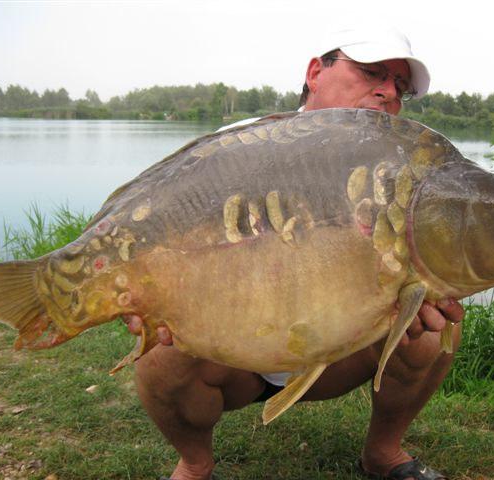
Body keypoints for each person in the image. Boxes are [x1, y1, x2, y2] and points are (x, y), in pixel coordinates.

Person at [125, 27, 465, 480]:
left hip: (344, 352)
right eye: (371, 73)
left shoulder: (406, 169)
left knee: (432, 331)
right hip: (238, 356)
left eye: (399, 87)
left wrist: (419, 294)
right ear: (315, 73)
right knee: (158, 358)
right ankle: (193, 463)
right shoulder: (237, 148)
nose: (387, 92)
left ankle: (383, 453)